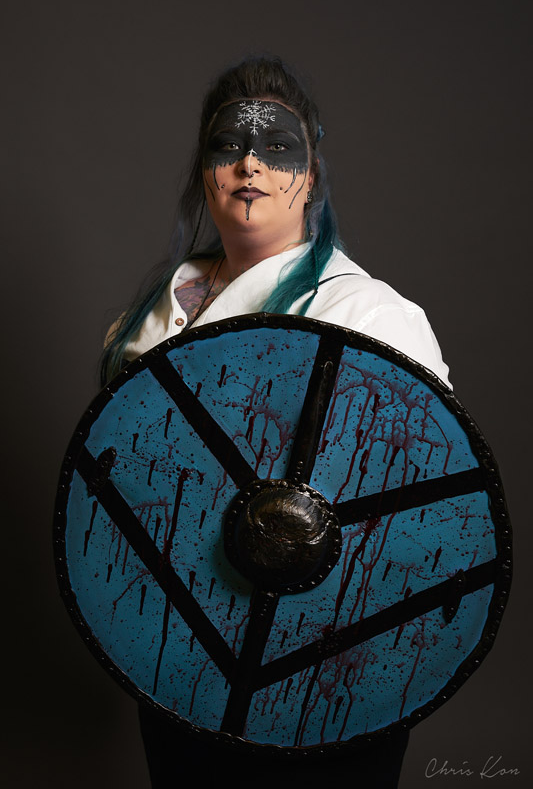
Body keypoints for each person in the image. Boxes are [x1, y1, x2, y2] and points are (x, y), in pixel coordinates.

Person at [102, 56, 451, 788]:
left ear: (311, 176)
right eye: (228, 145)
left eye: (278, 146)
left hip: (328, 669)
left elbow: (423, 516)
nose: (250, 163)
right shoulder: (146, 322)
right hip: (173, 653)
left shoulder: (370, 318)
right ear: (205, 172)